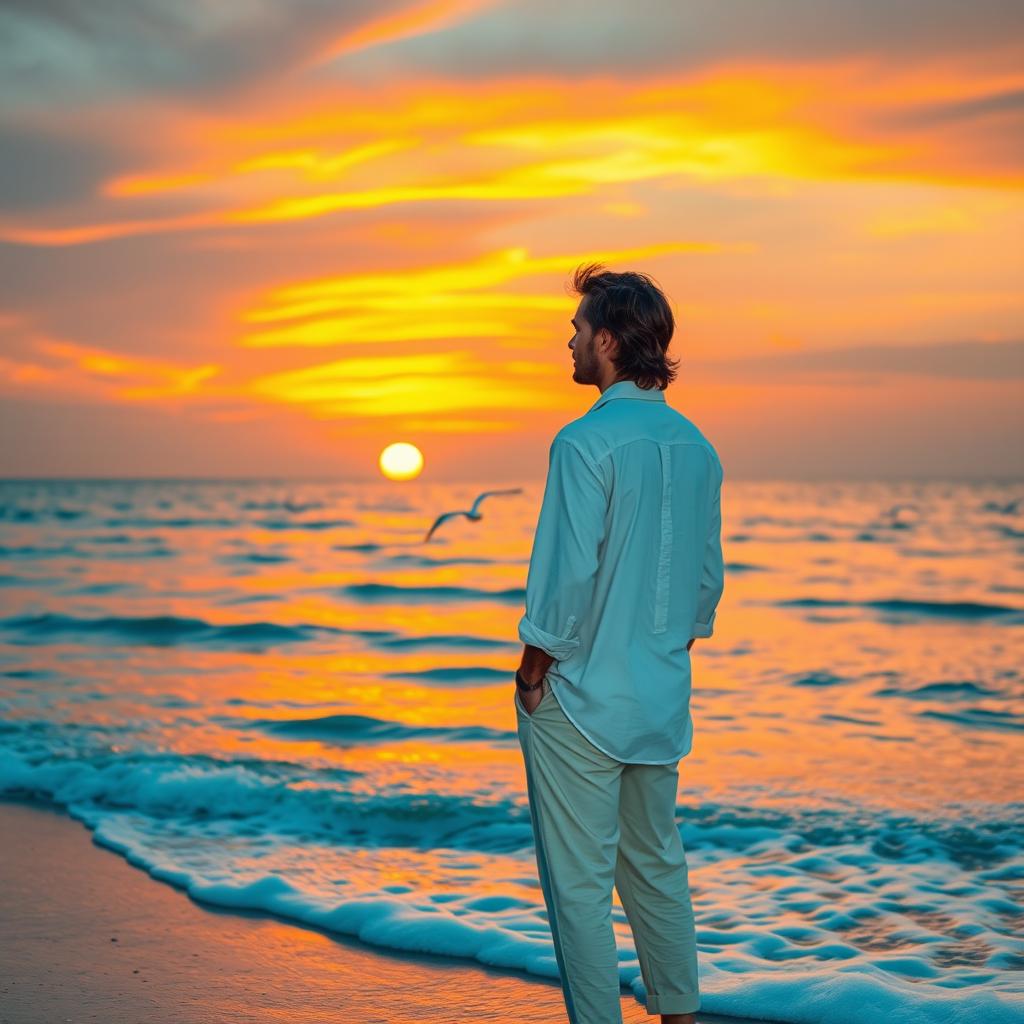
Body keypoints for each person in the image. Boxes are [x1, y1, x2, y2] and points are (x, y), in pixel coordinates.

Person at [514, 263, 725, 1024]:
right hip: (659, 696)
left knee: (577, 885)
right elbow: (705, 589)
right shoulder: (698, 446)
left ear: (606, 339)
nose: (567, 342)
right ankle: (680, 1016)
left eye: (575, 330)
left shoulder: (583, 442)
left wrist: (533, 672)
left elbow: (563, 580)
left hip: (581, 697)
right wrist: (662, 657)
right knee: (657, 868)